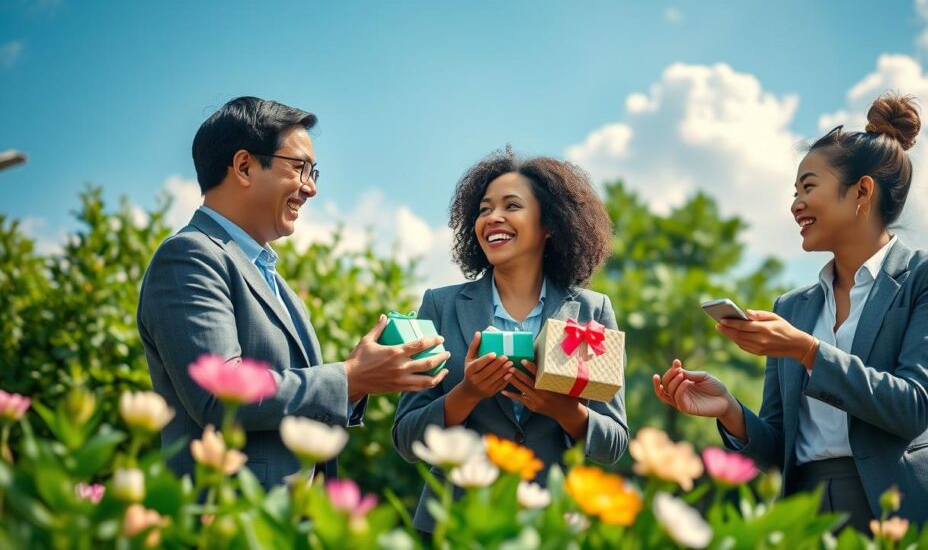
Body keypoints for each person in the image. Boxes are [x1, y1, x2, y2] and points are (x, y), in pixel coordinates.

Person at [653, 93, 928, 541]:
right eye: (794, 192)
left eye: (808, 187)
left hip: (907, 512)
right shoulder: (792, 307)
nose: (795, 205)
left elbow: (915, 406)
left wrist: (807, 350)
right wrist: (731, 410)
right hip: (809, 516)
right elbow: (779, 447)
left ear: (862, 191)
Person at [138, 96, 450, 488]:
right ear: (244, 166)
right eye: (300, 168)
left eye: (314, 173)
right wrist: (351, 378)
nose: (310, 188)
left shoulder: (277, 283)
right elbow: (220, 396)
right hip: (226, 514)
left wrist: (359, 377)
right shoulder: (189, 256)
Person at [392, 148, 629, 534]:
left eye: (511, 205)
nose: (492, 218)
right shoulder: (440, 306)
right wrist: (467, 393)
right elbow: (406, 437)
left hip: (552, 526)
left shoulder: (592, 311)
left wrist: (563, 410)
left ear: (550, 224)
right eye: (484, 209)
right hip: (453, 526)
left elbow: (614, 444)